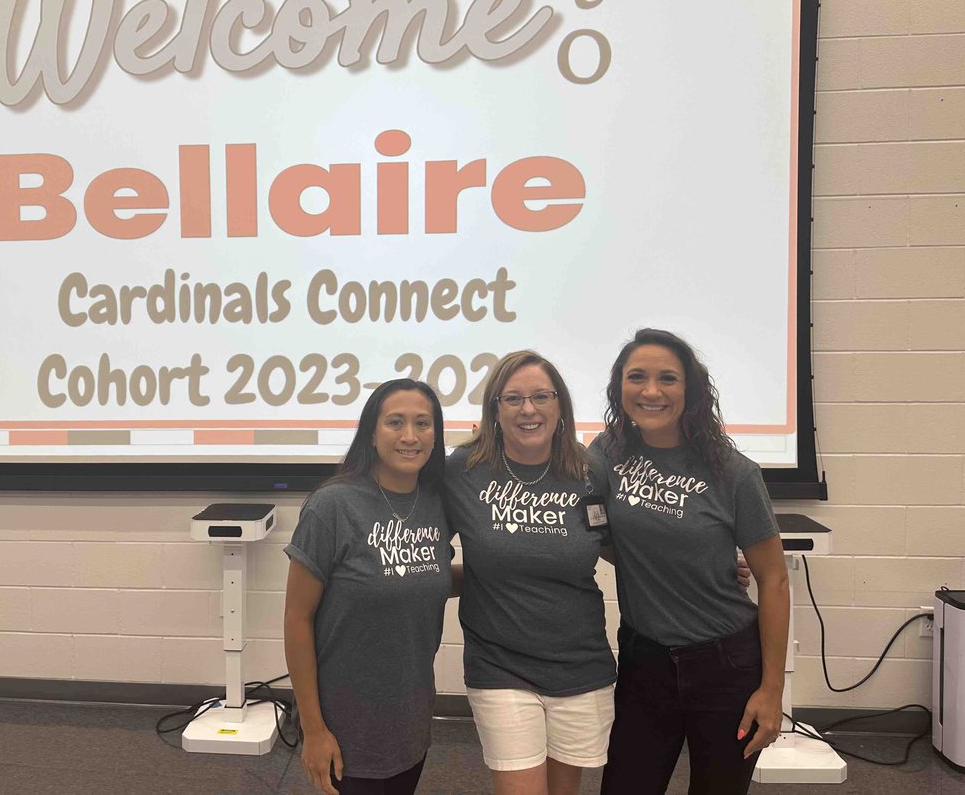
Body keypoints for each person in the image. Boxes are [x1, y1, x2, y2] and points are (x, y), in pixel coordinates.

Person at [590, 328, 789, 795]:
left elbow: (774, 579)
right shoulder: (607, 453)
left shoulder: (733, 471)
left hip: (726, 666)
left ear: (691, 389)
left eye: (668, 379)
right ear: (620, 387)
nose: (651, 391)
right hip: (645, 662)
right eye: (637, 376)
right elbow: (595, 533)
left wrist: (772, 691)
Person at [444, 350, 615, 795]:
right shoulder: (461, 470)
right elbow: (420, 542)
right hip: (499, 664)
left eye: (541, 396)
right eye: (513, 398)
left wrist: (707, 567)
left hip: (581, 664)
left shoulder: (589, 470)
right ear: (494, 409)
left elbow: (623, 547)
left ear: (560, 406)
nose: (528, 409)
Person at [284, 378, 454, 795]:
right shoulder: (333, 505)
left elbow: (422, 576)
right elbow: (297, 618)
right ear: (372, 434)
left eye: (423, 423)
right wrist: (313, 728)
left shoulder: (437, 503)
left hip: (409, 721)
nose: (410, 436)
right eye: (395, 422)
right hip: (343, 727)